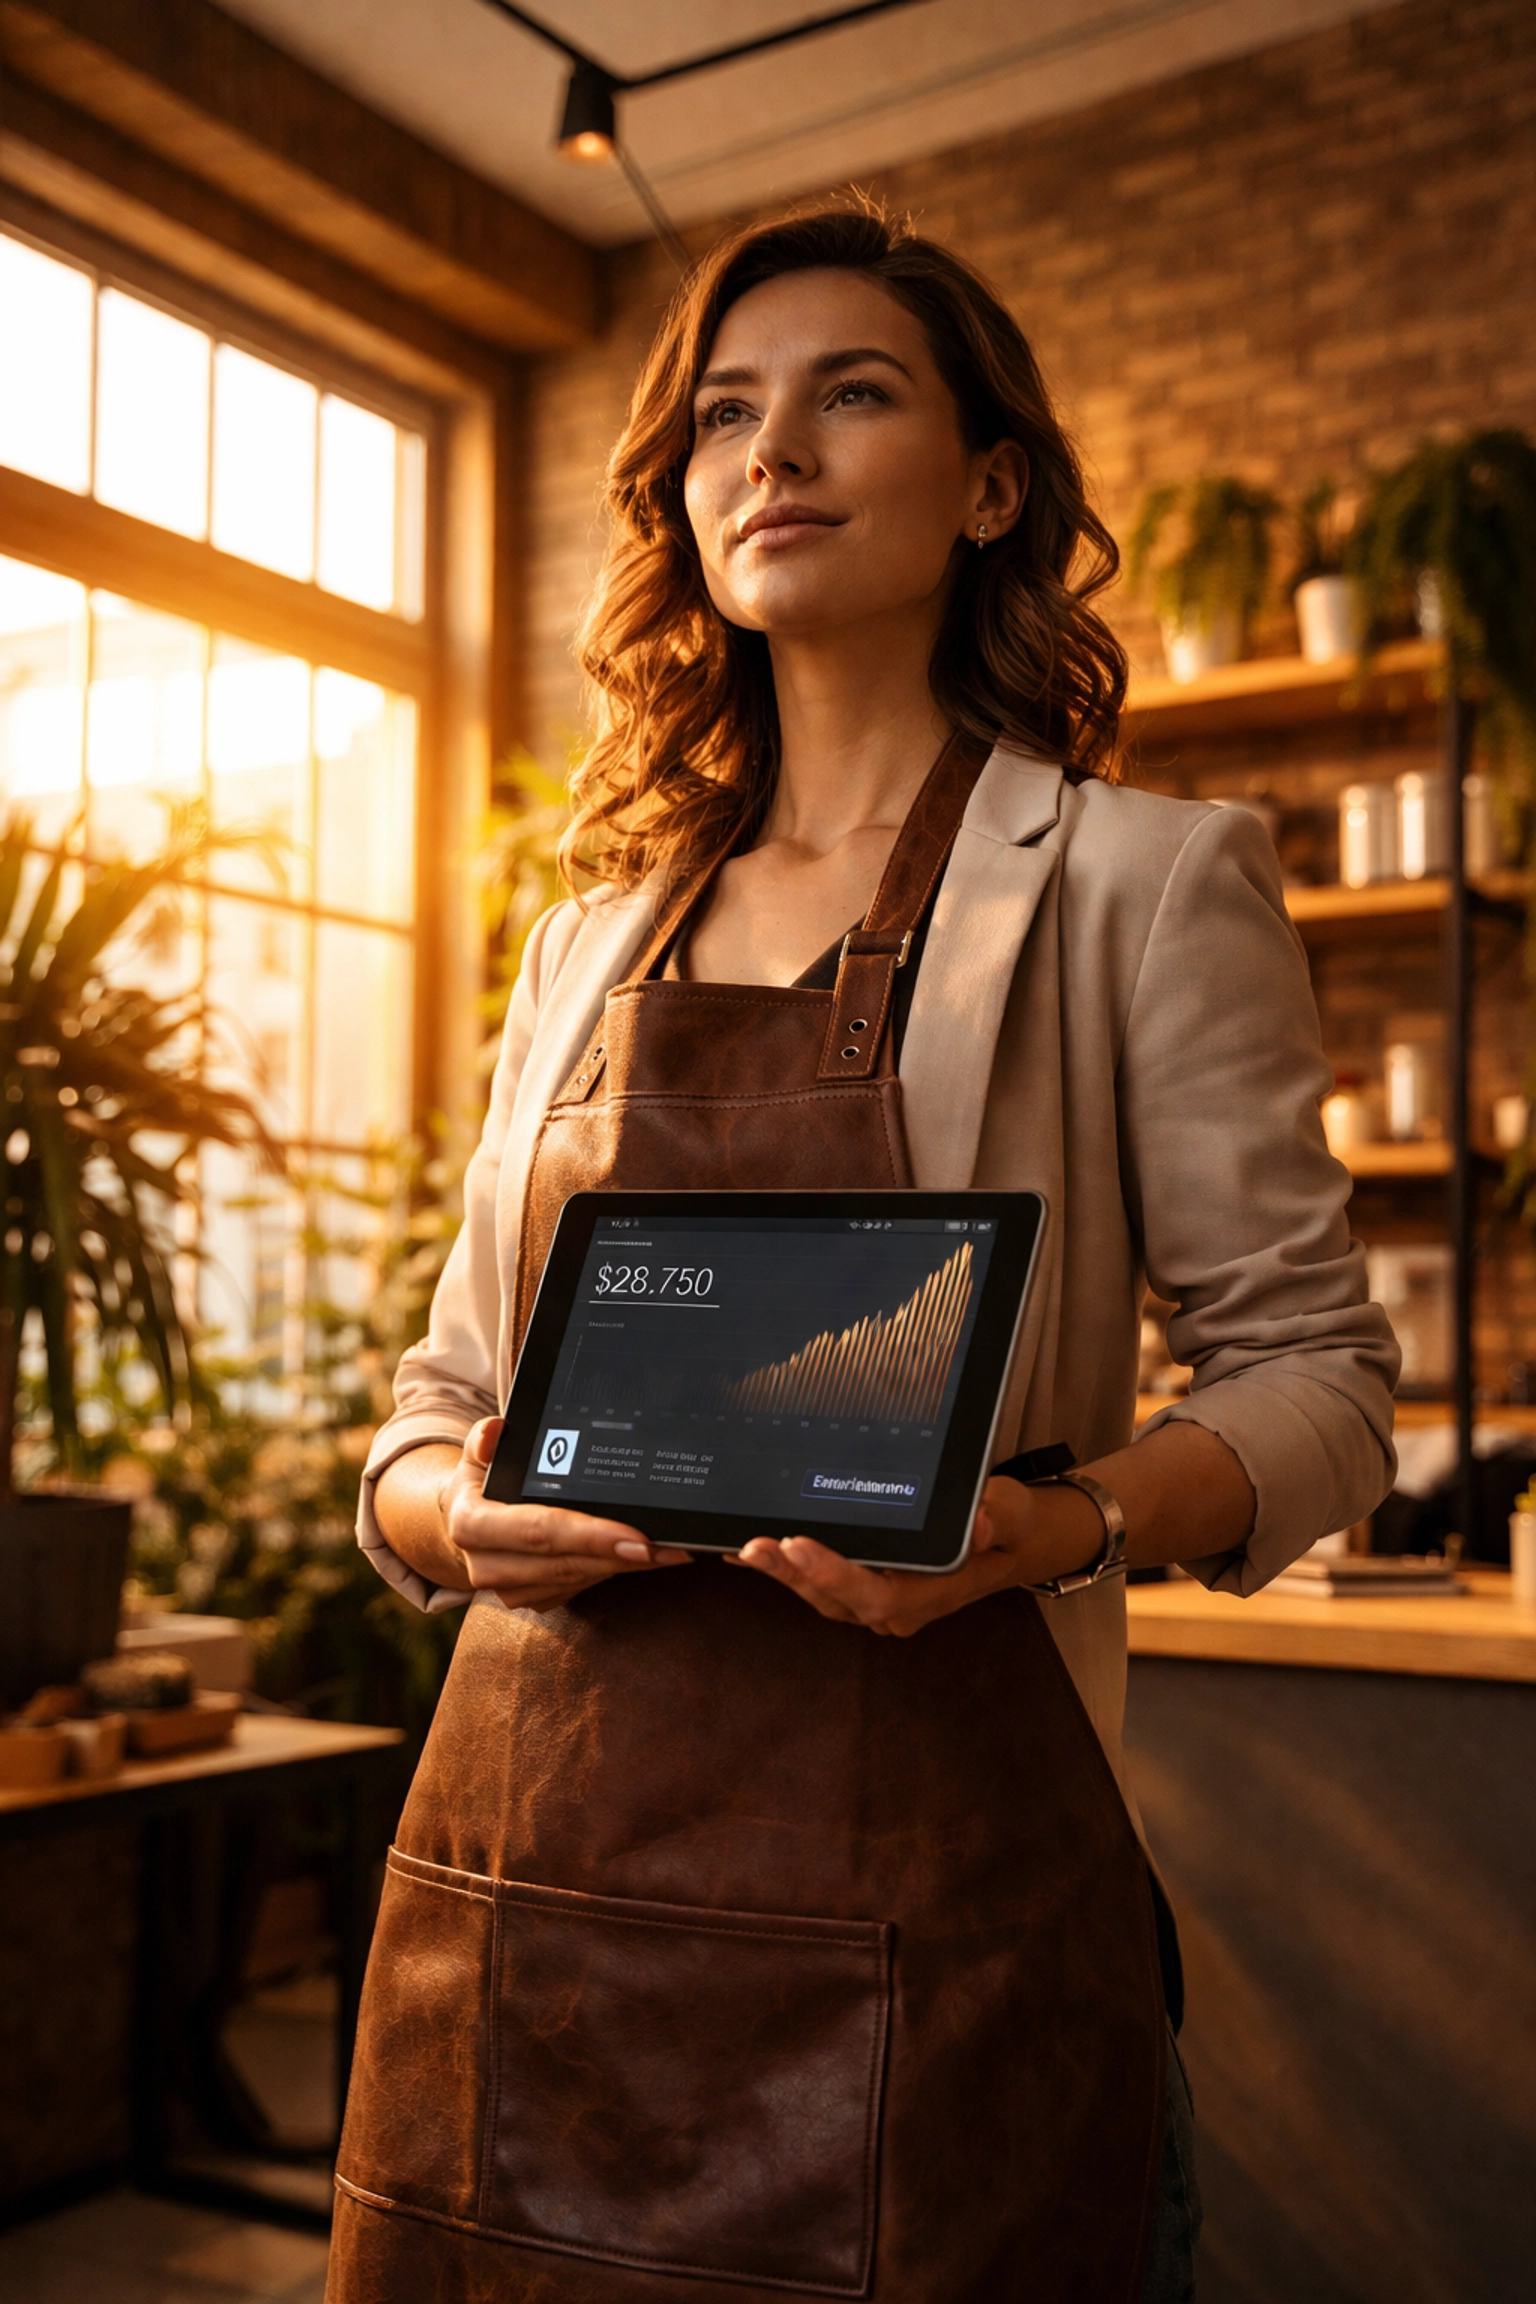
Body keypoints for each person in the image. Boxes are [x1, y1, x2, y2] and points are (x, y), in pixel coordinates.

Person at [326, 208, 1397, 2304]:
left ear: (991, 489)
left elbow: (1323, 1379)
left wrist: (1052, 1527)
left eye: (853, 394)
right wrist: (458, 1514)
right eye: (727, 414)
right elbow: (438, 1408)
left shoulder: (1141, 886)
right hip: (531, 1903)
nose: (774, 452)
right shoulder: (582, 944)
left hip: (944, 1924)